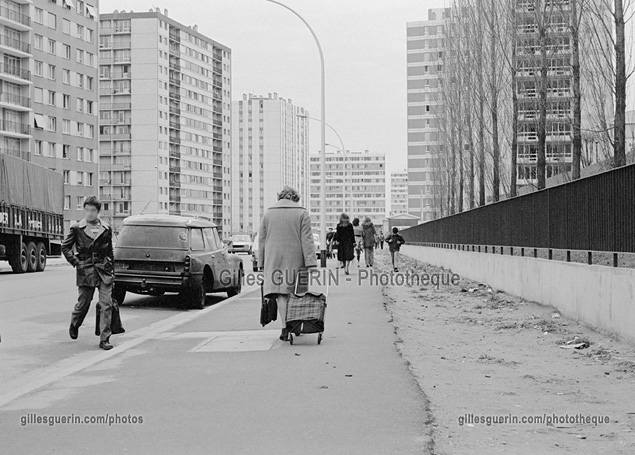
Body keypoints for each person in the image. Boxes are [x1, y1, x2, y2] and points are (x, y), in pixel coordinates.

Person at [259, 186, 317, 342]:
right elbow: (307, 240)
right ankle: (296, 324)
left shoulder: (268, 213)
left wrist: (261, 263)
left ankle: (285, 327)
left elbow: (262, 240)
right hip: (297, 259)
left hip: (273, 259)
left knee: (280, 294)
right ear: (295, 198)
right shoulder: (302, 213)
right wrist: (311, 263)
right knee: (298, 293)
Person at [62, 196, 115, 350]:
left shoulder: (106, 229)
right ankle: (75, 323)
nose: (90, 213)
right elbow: (65, 247)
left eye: (93, 210)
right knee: (83, 303)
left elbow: (110, 251)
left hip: (104, 270)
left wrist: (112, 270)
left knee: (107, 304)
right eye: (87, 210)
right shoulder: (77, 228)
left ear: (98, 211)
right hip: (85, 270)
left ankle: (105, 338)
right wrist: (76, 263)